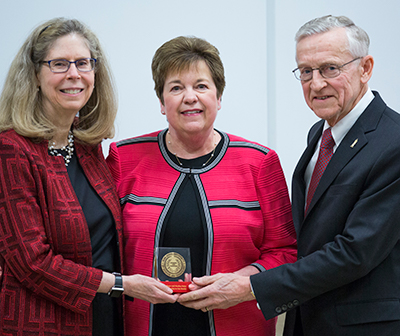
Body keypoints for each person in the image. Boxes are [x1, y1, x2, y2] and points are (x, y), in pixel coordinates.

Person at [178, 14, 400, 336]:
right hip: (309, 320)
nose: (316, 83)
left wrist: (251, 286)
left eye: (330, 69)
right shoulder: (320, 134)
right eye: (306, 72)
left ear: (365, 68)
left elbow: (354, 252)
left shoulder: (393, 142)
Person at [106, 36, 297, 336]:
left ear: (219, 97)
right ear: (161, 101)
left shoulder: (259, 162)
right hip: (142, 326)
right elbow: (102, 247)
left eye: (201, 86)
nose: (190, 97)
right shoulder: (124, 158)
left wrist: (243, 283)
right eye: (176, 87)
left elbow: (285, 251)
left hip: (238, 325)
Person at [0, 17, 162, 336]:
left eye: (83, 63)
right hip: (43, 325)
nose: (74, 74)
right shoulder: (11, 149)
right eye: (59, 64)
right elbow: (32, 262)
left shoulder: (88, 148)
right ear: (34, 75)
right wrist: (120, 284)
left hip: (104, 319)